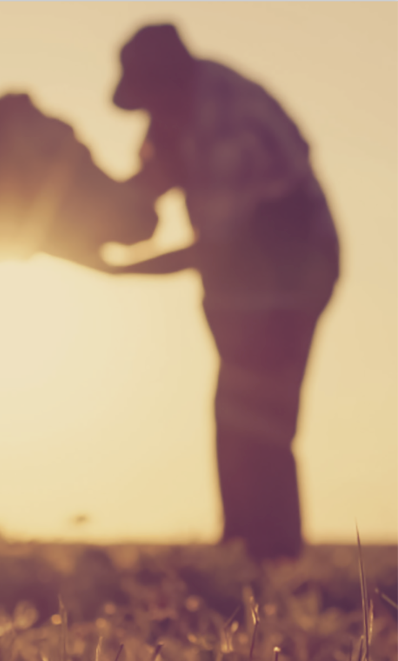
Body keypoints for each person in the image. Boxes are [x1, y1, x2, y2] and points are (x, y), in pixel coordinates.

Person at [98, 23, 340, 559]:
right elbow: (145, 187)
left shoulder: (231, 121)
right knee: (234, 412)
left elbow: (216, 247)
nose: (146, 115)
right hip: (240, 284)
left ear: (169, 82)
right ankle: (242, 551)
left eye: (147, 97)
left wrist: (119, 270)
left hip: (286, 279)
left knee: (261, 416)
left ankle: (269, 557)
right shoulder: (175, 117)